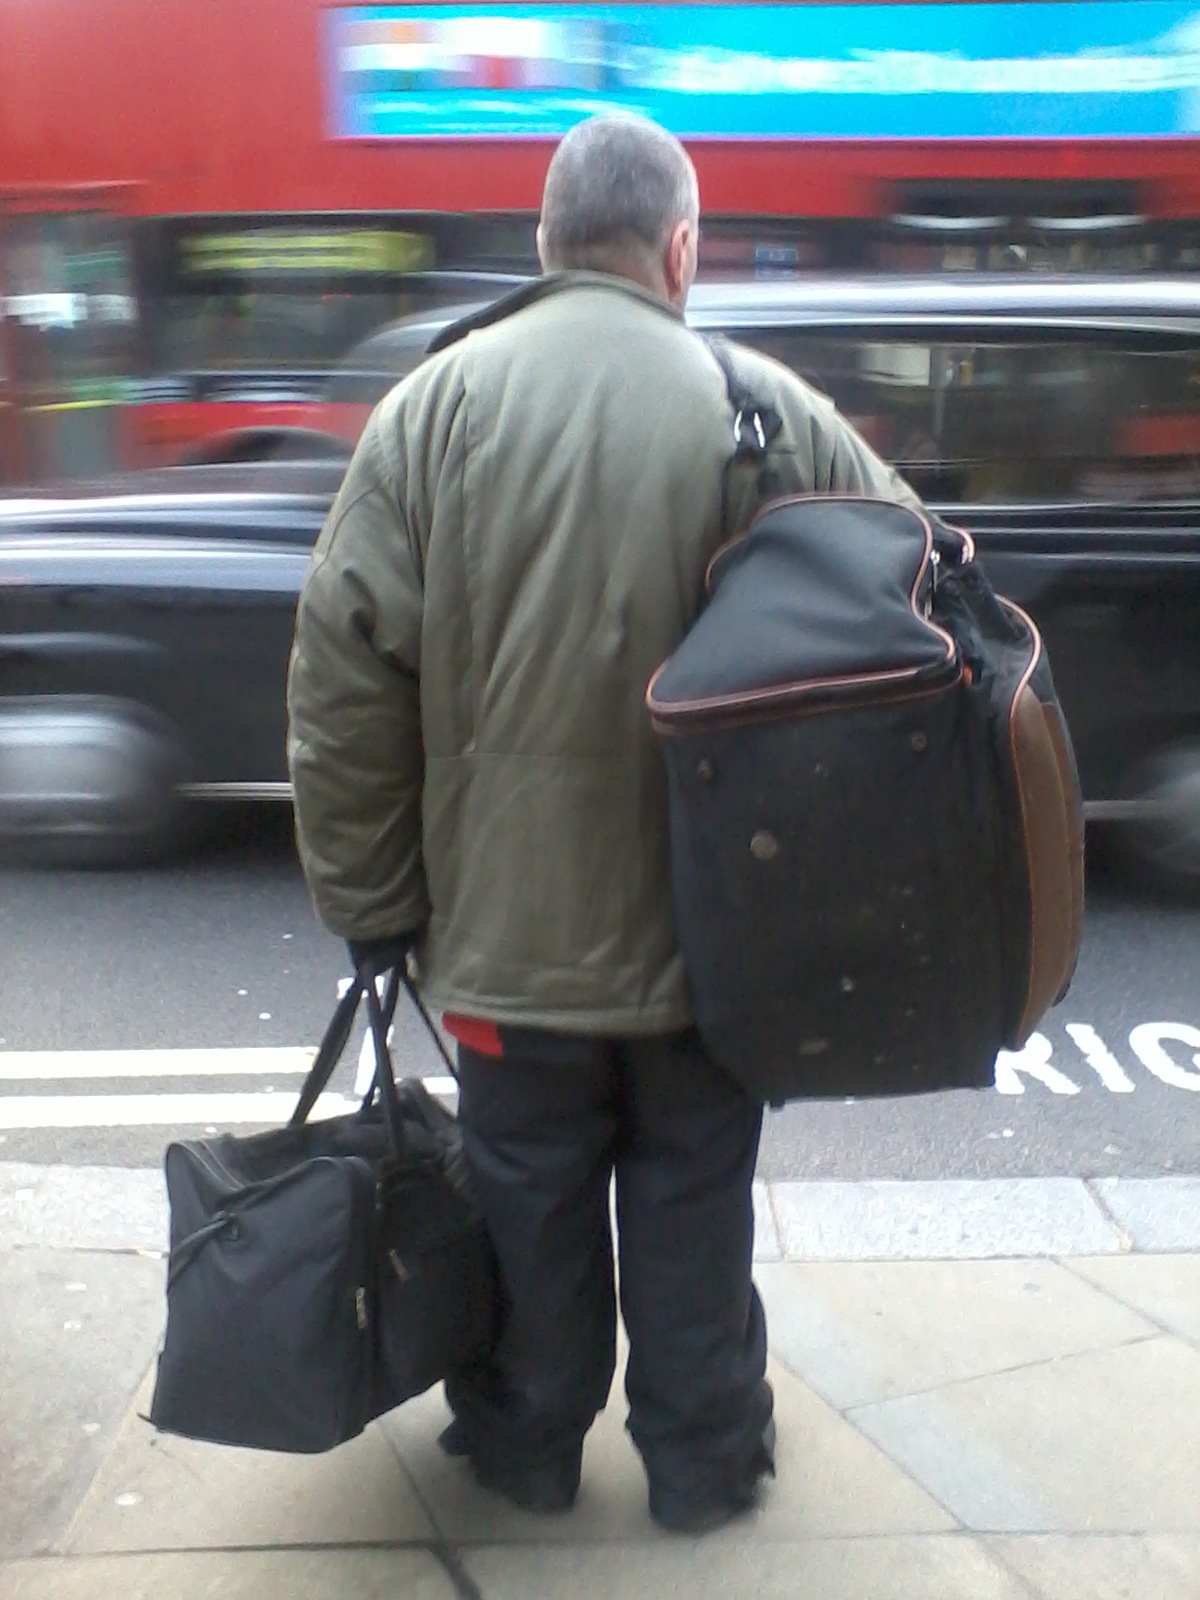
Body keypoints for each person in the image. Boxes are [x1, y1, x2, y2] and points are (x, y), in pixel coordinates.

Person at [286, 112, 917, 1534]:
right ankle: (704, 1462)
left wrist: (375, 906)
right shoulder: (762, 406)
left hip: (509, 954)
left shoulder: (427, 415)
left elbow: (341, 686)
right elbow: (913, 608)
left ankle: (524, 1444)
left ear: (543, 245)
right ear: (680, 248)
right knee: (696, 1200)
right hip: (717, 949)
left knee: (529, 1204)